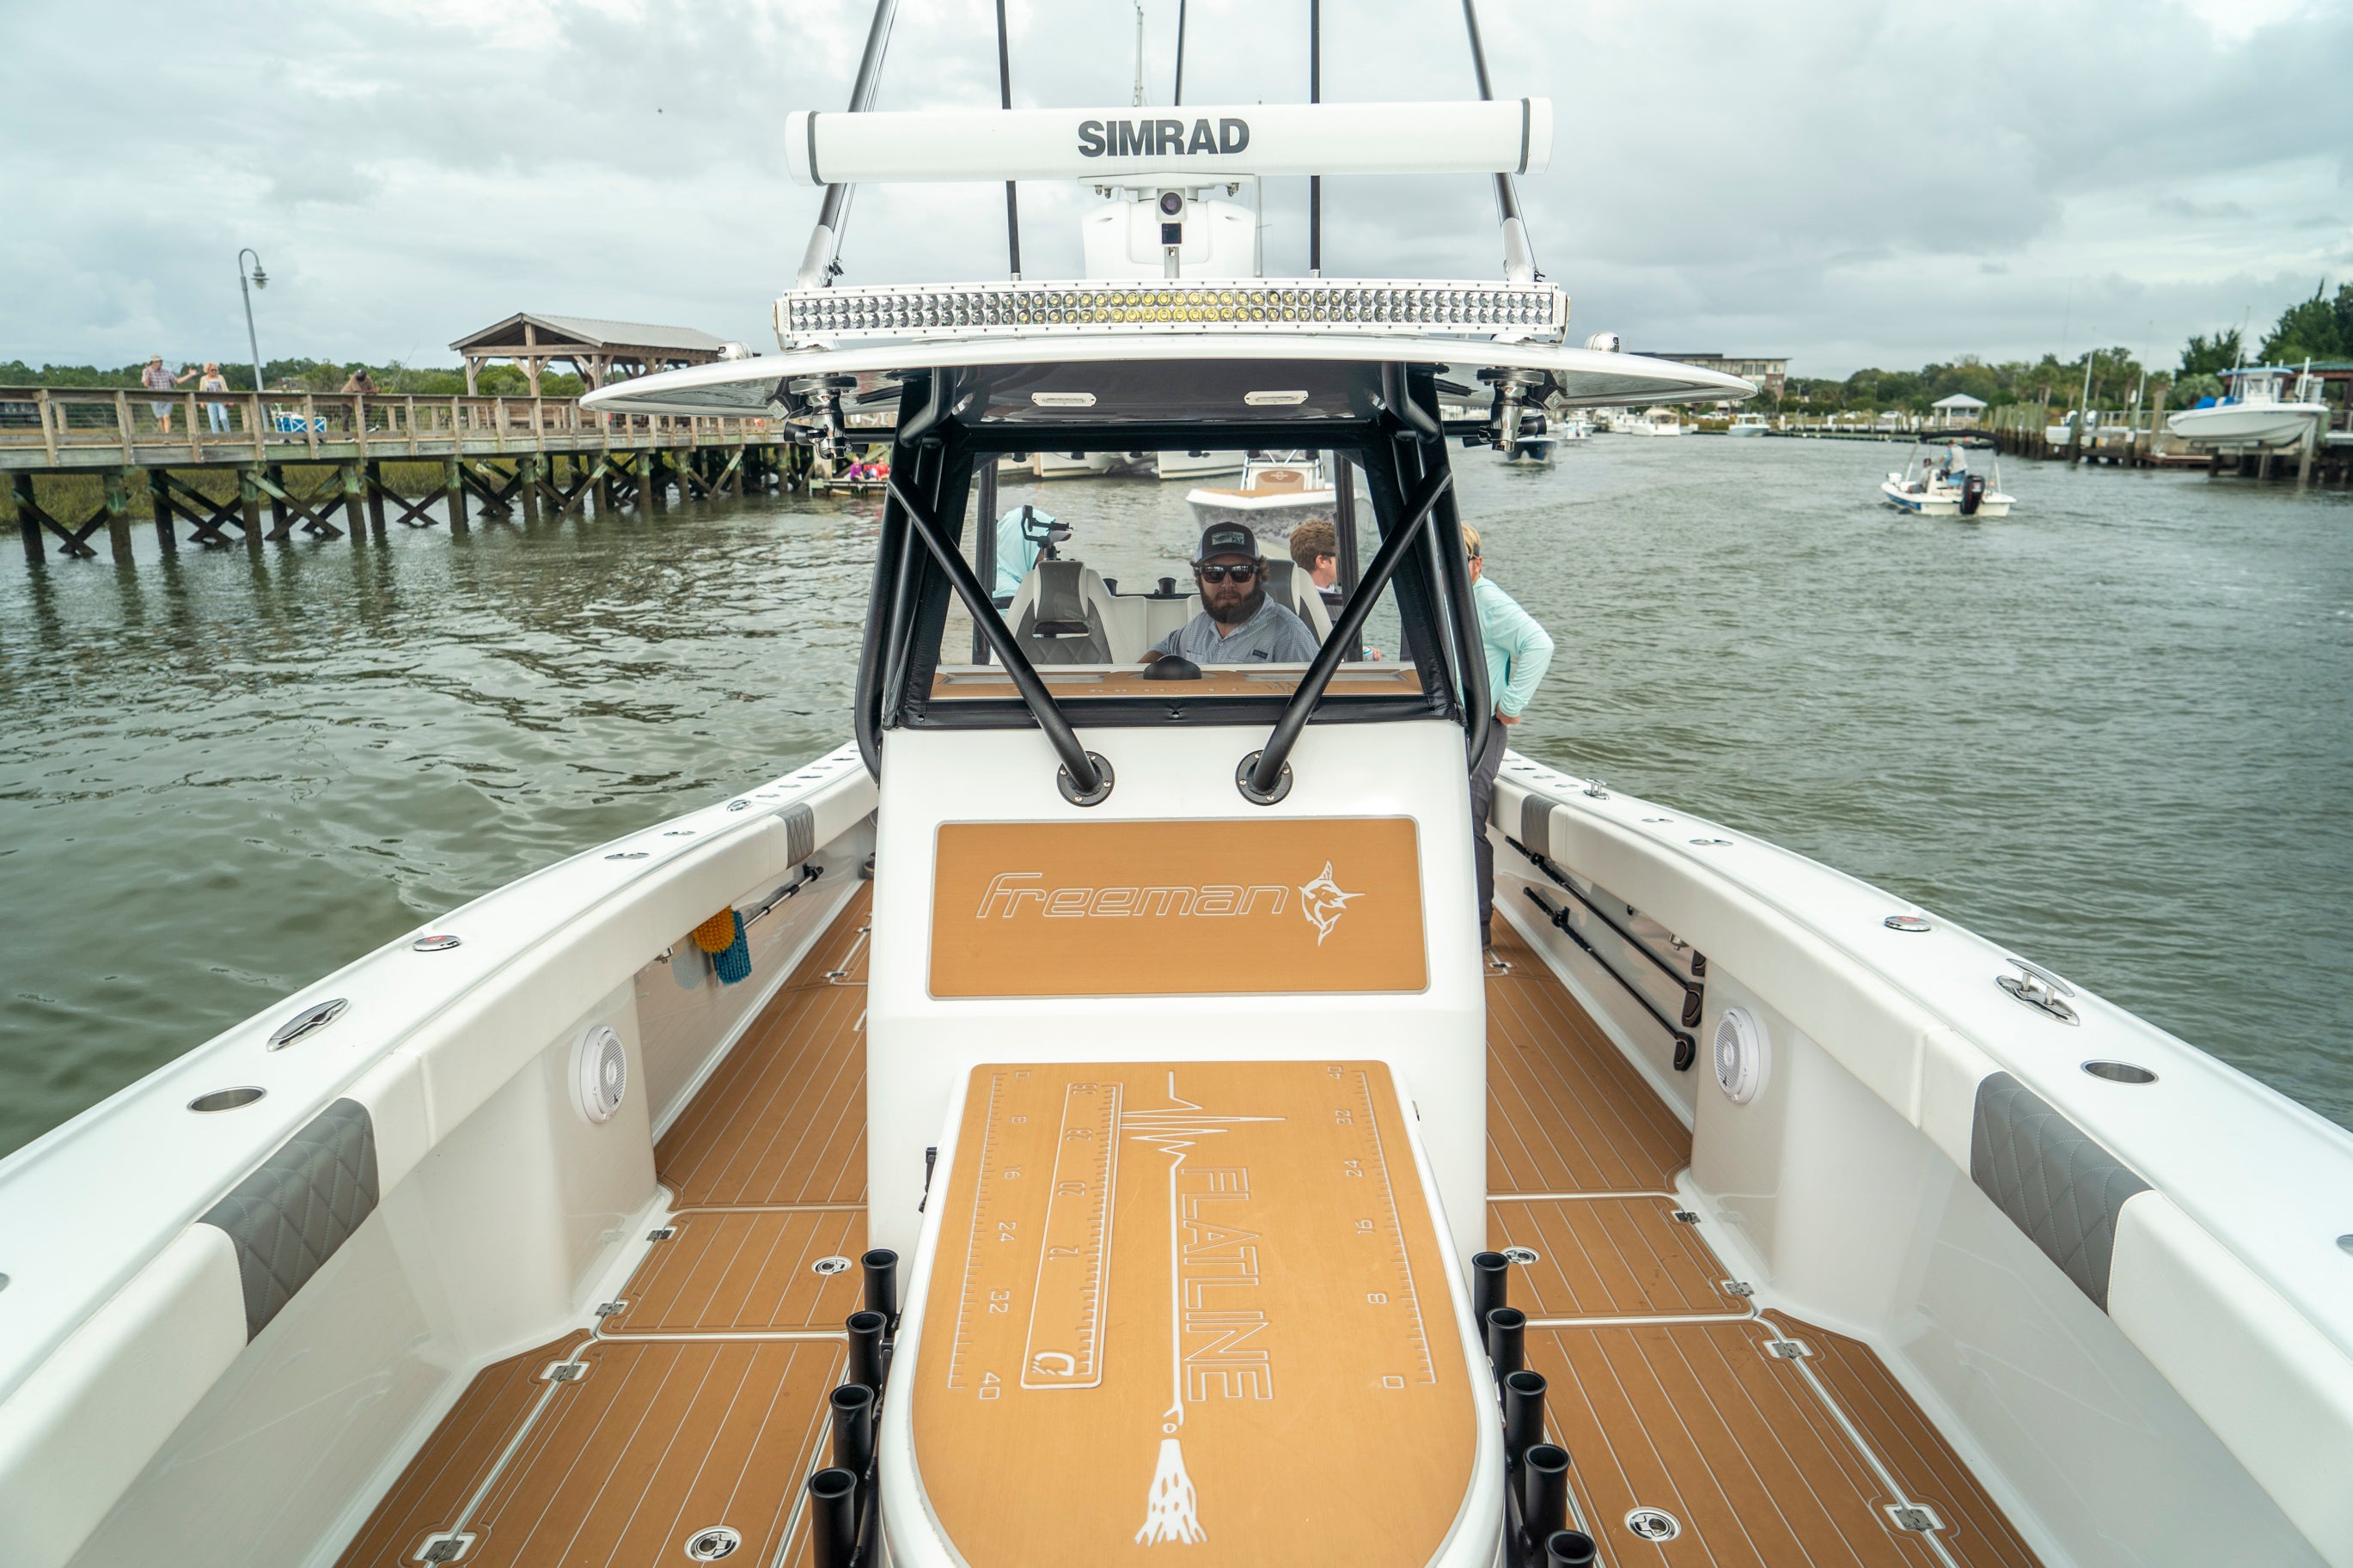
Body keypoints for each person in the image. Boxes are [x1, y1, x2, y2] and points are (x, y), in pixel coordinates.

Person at [1463, 522, 1555, 965]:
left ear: (1476, 565)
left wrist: (1510, 704)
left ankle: (1478, 932)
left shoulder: (1487, 600)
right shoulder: (1444, 598)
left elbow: (1539, 644)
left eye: (1458, 561)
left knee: (1467, 823)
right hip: (1446, 728)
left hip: (1481, 728)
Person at [1140, 522, 1320, 667]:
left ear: (1259, 577)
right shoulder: (1199, 627)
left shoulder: (1289, 635)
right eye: (1213, 572)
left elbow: (1314, 705)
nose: (1227, 584)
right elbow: (1167, 647)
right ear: (1199, 579)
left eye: (1240, 572)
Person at [1287, 520, 1343, 613]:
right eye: (1340, 555)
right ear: (1321, 561)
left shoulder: (1340, 596)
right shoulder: (1299, 608)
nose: (1346, 560)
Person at [142, 354, 193, 433]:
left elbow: (177, 381)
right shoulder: (146, 371)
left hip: (167, 397)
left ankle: (168, 436)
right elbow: (146, 384)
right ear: (153, 362)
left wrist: (190, 375)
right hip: (155, 398)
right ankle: (164, 437)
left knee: (166, 417)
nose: (161, 363)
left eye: (161, 361)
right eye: (159, 361)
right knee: (160, 418)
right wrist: (149, 374)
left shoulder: (166, 372)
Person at [197, 363, 230, 434]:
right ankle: (216, 437)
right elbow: (201, 390)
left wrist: (229, 399)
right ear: (208, 370)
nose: (214, 371)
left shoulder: (220, 377)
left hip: (222, 401)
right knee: (213, 420)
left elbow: (225, 389)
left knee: (223, 418)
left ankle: (228, 434)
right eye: (212, 370)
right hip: (210, 402)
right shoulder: (203, 379)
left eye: (215, 370)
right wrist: (201, 402)